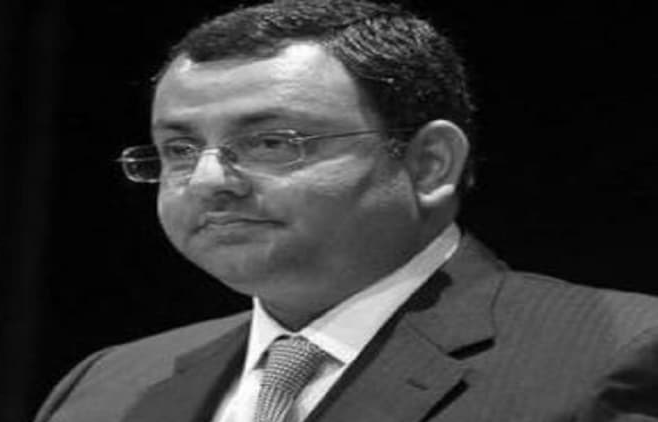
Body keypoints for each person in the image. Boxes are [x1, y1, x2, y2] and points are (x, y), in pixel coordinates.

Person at [34, 1, 658, 421]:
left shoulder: (617, 354)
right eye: (179, 150)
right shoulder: (107, 387)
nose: (207, 181)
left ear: (430, 164)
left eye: (272, 143)